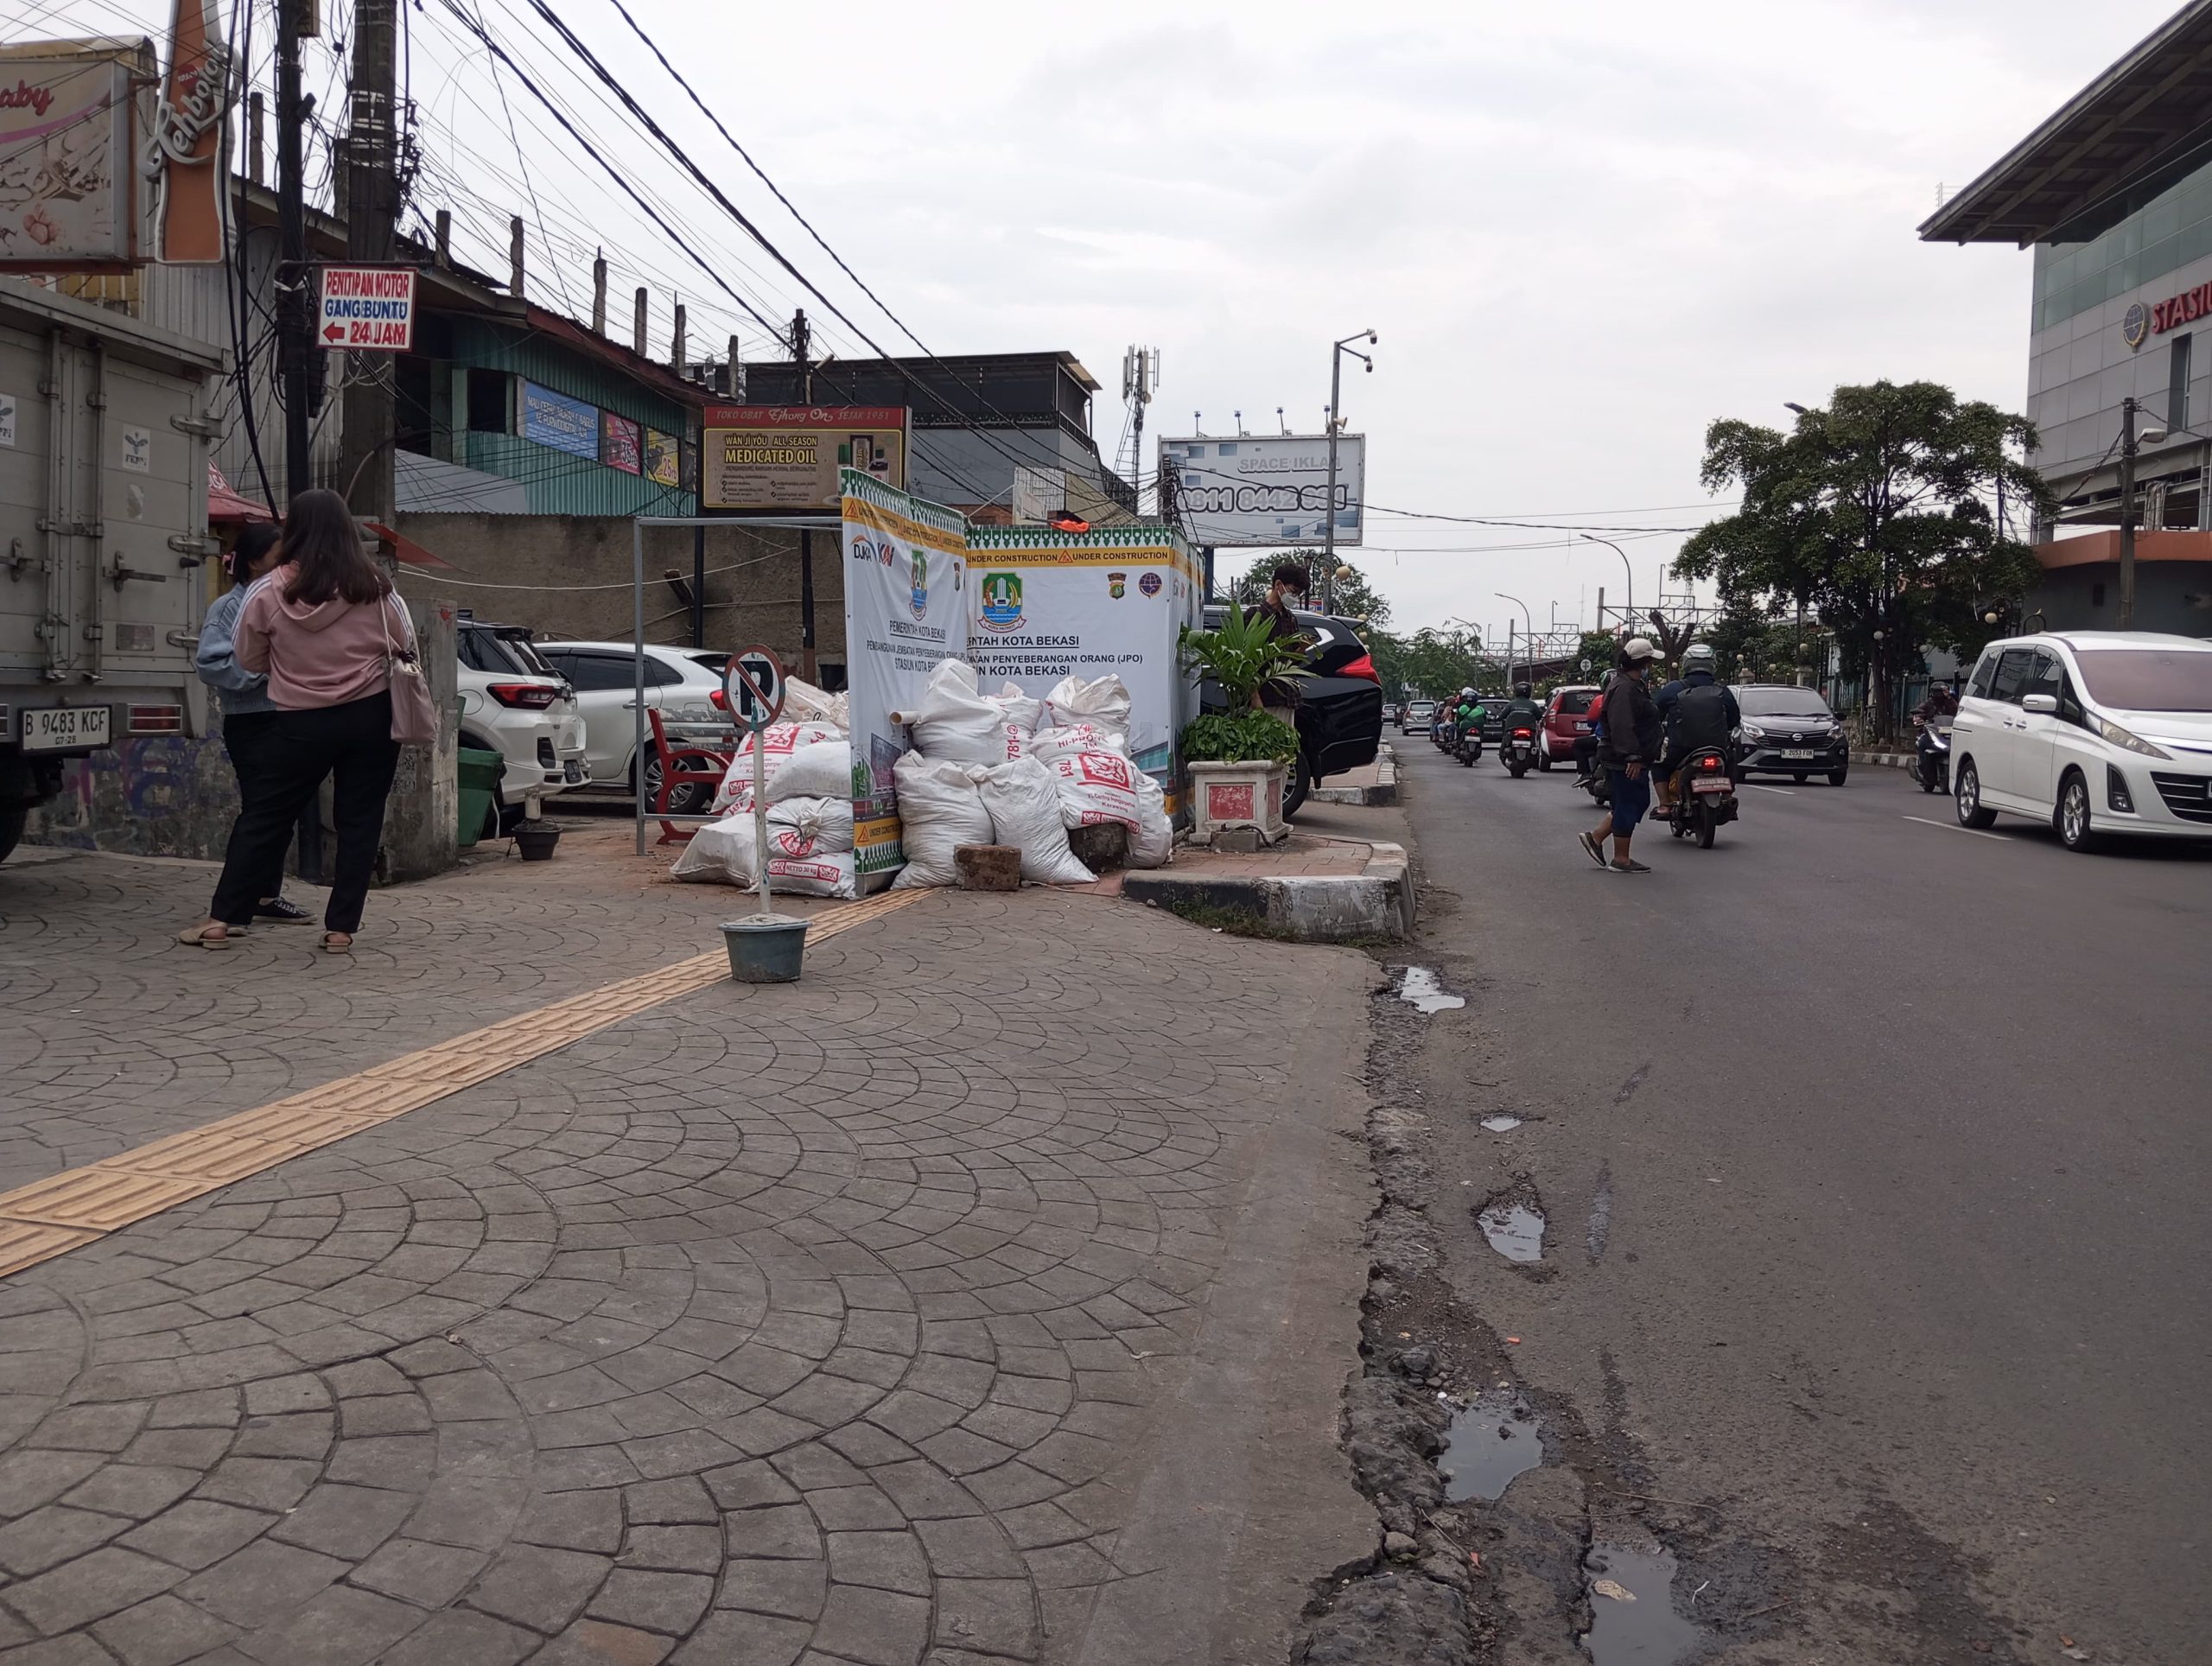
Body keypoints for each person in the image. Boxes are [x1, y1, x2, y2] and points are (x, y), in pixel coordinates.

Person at [183, 488, 413, 954]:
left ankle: (220, 921)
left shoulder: (267, 590)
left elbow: (248, 656)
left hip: (298, 720)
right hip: (371, 718)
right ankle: (340, 929)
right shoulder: (378, 588)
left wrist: (295, 664)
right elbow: (405, 643)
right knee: (359, 820)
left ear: (294, 532)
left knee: (265, 815)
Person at [184, 522, 312, 938]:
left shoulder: (289, 600)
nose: (289, 561)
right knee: (261, 811)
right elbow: (211, 664)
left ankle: (264, 895)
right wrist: (266, 665)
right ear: (256, 560)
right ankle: (235, 904)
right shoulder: (228, 607)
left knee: (283, 810)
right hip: (251, 720)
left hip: (288, 715)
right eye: (279, 554)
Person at [1580, 638, 1662, 874]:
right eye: (1650, 662)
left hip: (1629, 755)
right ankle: (1621, 859)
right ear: (1643, 663)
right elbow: (1622, 725)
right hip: (1623, 758)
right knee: (1630, 803)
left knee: (1632, 802)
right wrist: (1632, 757)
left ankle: (1596, 837)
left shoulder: (1631, 685)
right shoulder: (1624, 688)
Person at [1653, 643, 1740, 812]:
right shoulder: (1723, 690)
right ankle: (1728, 796)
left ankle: (1664, 805)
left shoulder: (1673, 688)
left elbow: (1656, 715)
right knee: (1730, 760)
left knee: (1659, 766)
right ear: (1713, 664)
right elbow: (1734, 719)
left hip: (1681, 747)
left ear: (1686, 663)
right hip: (1717, 747)